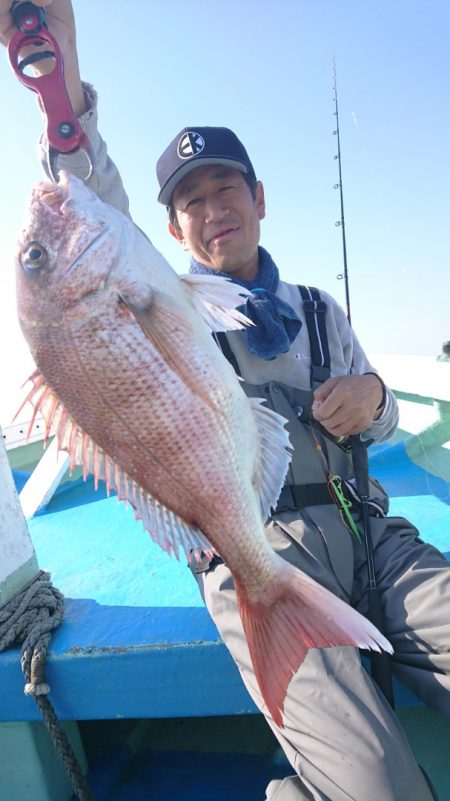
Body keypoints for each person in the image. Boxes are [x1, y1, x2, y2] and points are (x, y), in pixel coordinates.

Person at [2, 3, 450, 799]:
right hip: (259, 548)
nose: (214, 209)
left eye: (226, 188)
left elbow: (384, 423)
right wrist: (58, 85)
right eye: (191, 201)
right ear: (168, 232)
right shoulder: (159, 302)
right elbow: (82, 183)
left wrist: (376, 396)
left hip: (371, 531)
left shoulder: (320, 309)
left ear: (260, 198)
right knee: (383, 788)